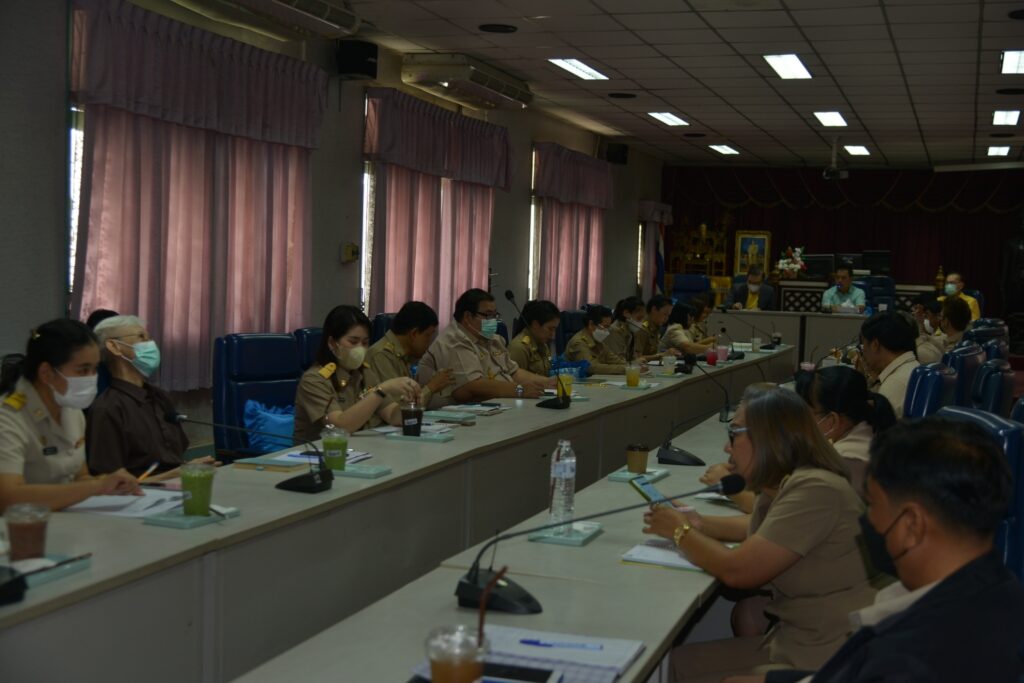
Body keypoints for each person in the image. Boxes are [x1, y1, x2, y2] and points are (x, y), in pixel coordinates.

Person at [732, 418, 1024, 683]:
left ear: (911, 525)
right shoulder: (1000, 589)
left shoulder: (910, 658)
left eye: (871, 504)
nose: (867, 520)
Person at [644, 384, 876, 678]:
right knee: (673, 665)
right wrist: (698, 523)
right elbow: (770, 531)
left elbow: (739, 571)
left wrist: (682, 532)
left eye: (734, 434)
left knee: (675, 670)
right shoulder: (782, 484)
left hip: (831, 656)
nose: (727, 448)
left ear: (770, 438)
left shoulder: (816, 488)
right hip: (798, 641)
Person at [0, 319, 139, 511]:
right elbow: (7, 497)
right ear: (46, 373)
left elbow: (80, 477)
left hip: (64, 518)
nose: (92, 378)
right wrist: (96, 486)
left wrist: (108, 484)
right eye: (83, 370)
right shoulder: (8, 417)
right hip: (20, 524)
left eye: (95, 369)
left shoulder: (70, 408)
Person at [87, 315, 213, 478]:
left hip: (178, 485)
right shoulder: (108, 408)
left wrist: (191, 468)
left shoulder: (159, 397)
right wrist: (180, 473)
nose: (151, 344)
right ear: (114, 346)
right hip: (142, 492)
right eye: (141, 337)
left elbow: (175, 458)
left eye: (149, 337)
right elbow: (109, 483)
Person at [293, 305, 420, 441]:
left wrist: (410, 404)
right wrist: (381, 390)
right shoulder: (314, 379)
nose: (360, 348)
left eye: (365, 343)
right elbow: (340, 427)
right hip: (320, 451)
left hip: (359, 448)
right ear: (332, 343)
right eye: (353, 342)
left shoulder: (364, 372)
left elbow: (392, 416)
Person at [418, 288, 553, 405]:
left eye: (495, 315)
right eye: (488, 315)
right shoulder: (454, 341)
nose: (493, 320)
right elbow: (471, 386)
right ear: (468, 316)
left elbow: (513, 372)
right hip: (454, 416)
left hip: (495, 407)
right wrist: (519, 390)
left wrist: (549, 383)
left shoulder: (492, 339)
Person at [794, 365, 897, 496]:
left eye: (806, 414)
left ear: (832, 420)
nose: (801, 420)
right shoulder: (869, 427)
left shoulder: (844, 460)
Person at [365, 301, 454, 411]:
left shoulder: (403, 355)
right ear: (414, 334)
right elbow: (398, 408)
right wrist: (431, 387)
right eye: (427, 336)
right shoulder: (382, 356)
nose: (429, 343)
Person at [853, 312, 919, 416]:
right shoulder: (912, 368)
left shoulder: (894, 384)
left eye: (863, 346)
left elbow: (877, 425)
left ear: (875, 345)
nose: (863, 353)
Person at [564, 305, 628, 375]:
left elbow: (614, 360)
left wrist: (632, 367)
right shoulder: (578, 342)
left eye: (608, 327)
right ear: (591, 324)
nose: (607, 331)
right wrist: (624, 369)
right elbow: (590, 367)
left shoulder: (597, 341)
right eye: (605, 326)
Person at [508, 299, 560, 377]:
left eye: (555, 329)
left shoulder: (542, 343)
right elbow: (513, 381)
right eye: (550, 329)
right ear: (535, 324)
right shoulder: (519, 348)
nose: (553, 335)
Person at [916, 296, 970, 365]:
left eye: (940, 316)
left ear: (946, 321)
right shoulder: (964, 339)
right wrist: (920, 322)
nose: (939, 319)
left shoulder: (950, 352)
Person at [632, 295, 676, 361]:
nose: (666, 318)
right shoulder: (642, 329)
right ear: (654, 309)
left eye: (668, 315)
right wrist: (662, 355)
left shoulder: (655, 328)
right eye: (665, 314)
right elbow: (637, 358)